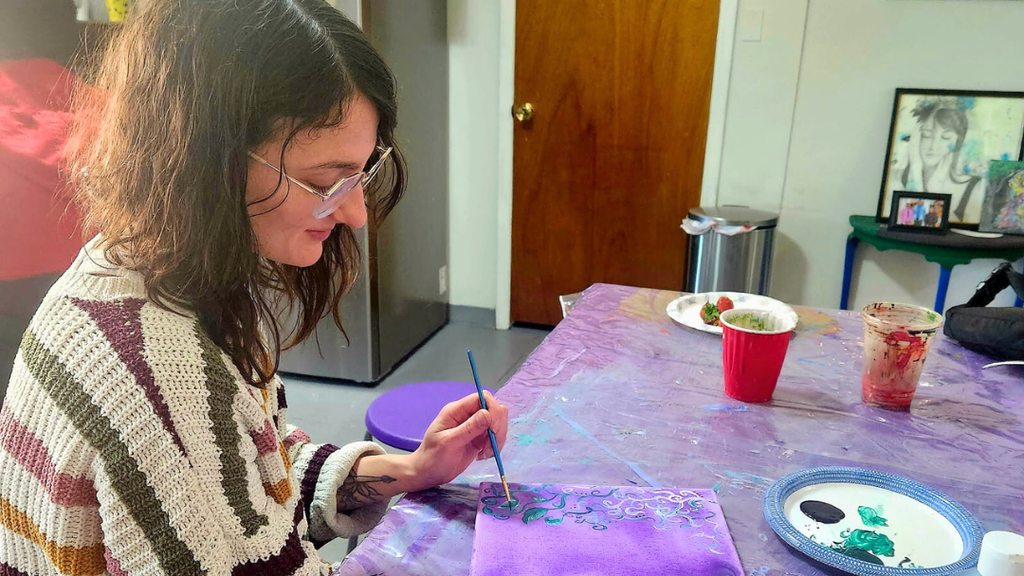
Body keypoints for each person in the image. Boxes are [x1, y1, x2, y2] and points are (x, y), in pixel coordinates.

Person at [0, 2, 509, 575]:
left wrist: (410, 470)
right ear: (206, 157)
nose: (357, 215)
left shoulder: (140, 268)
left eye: (360, 176)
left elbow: (252, 477)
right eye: (325, 182)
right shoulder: (159, 374)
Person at [893, 98, 985, 223]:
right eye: (927, 135)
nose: (933, 147)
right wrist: (915, 172)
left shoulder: (974, 188)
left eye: (946, 137)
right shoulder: (895, 180)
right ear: (916, 136)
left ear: (958, 141)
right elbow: (905, 224)